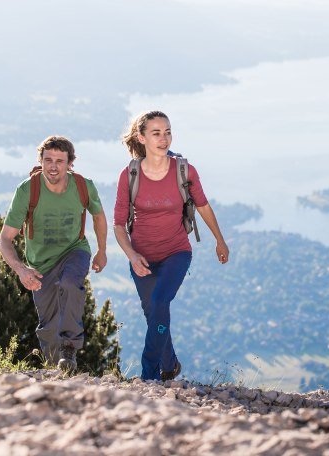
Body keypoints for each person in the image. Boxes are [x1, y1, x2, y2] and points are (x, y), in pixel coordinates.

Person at [113, 111, 229, 381]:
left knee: (160, 301)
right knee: (153, 313)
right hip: (141, 256)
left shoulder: (184, 171)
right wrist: (132, 255)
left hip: (176, 251)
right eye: (156, 133)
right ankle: (170, 363)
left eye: (167, 132)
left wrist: (220, 241)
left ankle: (149, 376)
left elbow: (202, 205)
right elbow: (119, 224)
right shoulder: (129, 175)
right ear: (142, 138)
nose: (163, 139)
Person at [0, 135, 107, 371]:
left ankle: (69, 346)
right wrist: (21, 269)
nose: (53, 166)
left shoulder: (83, 186)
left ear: (70, 164)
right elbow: (5, 239)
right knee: (47, 326)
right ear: (41, 161)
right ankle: (55, 372)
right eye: (48, 160)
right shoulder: (27, 190)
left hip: (74, 250)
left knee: (69, 283)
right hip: (40, 263)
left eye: (60, 160)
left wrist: (102, 251)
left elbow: (98, 216)